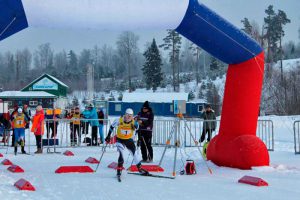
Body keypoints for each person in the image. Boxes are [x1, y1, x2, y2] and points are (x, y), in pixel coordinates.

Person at [105, 108, 149, 179]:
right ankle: (119, 169)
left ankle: (140, 168)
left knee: (134, 154)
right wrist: (108, 136)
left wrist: (139, 140)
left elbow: (139, 130)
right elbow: (111, 127)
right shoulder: (119, 120)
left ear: (132, 116)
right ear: (125, 114)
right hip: (120, 140)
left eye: (130, 116)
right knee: (121, 153)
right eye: (127, 115)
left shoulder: (134, 122)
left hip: (129, 140)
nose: (128, 117)